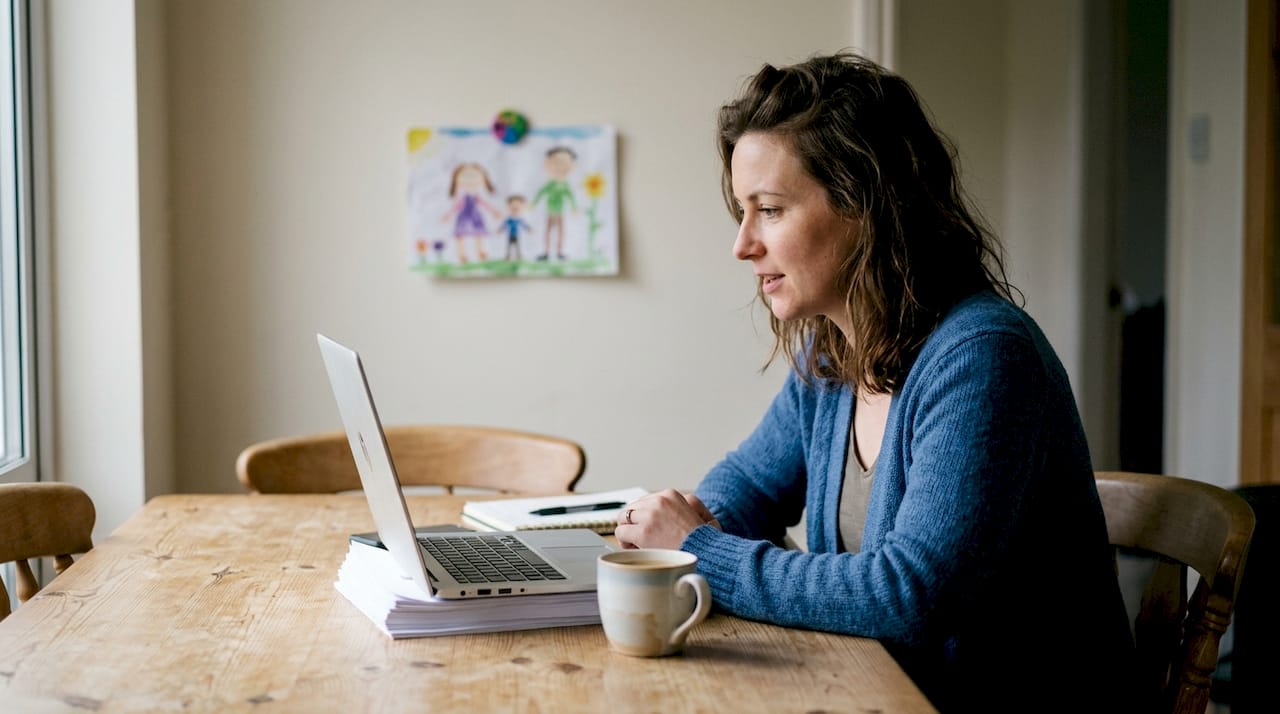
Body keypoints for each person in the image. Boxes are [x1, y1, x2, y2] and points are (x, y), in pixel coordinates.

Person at [613, 53, 1136, 711]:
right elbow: (746, 486)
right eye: (743, 212)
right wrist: (686, 529)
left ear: (866, 205)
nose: (742, 244)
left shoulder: (983, 358)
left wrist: (699, 551)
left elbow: (909, 597)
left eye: (769, 209)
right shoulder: (835, 356)